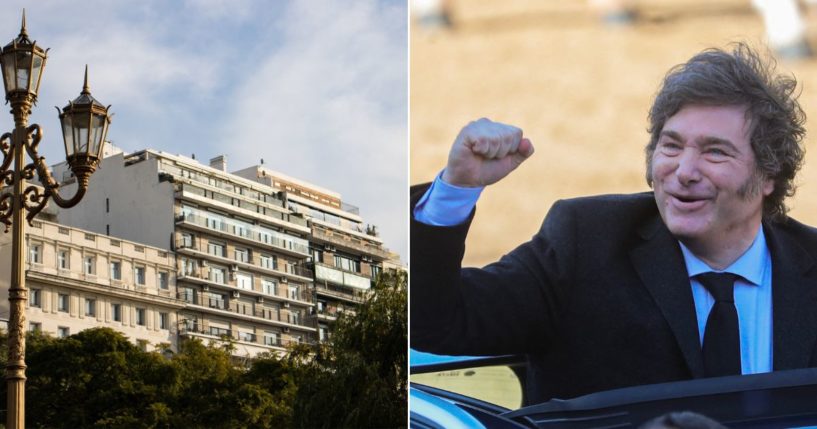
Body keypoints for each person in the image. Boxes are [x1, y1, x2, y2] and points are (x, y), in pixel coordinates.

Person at [410, 43, 817, 404]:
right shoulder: (584, 243)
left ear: (768, 175)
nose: (684, 171)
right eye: (671, 145)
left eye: (715, 152)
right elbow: (433, 320)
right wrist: (456, 190)